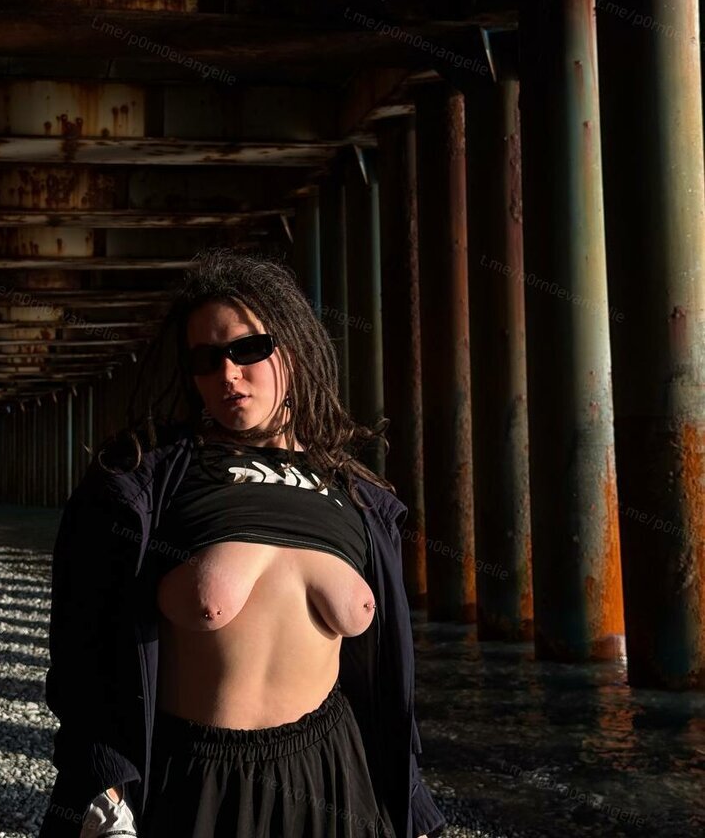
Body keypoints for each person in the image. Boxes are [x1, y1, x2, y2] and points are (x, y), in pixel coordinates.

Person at [39, 248, 446, 838]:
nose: (227, 374)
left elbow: (384, 682)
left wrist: (414, 807)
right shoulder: (143, 483)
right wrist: (102, 788)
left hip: (336, 779)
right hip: (197, 785)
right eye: (205, 359)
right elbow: (81, 647)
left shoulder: (356, 497)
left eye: (247, 349)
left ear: (293, 350)